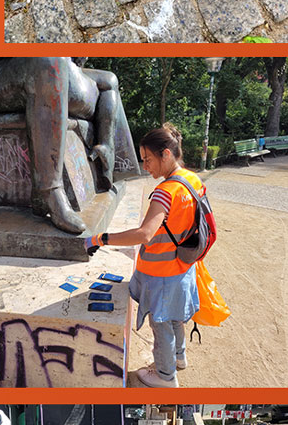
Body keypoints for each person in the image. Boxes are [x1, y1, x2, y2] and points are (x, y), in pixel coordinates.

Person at [85, 125, 208, 388]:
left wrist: (101, 238)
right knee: (175, 317)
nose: (145, 166)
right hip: (183, 265)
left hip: (162, 272)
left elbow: (144, 234)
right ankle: (178, 358)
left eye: (148, 159)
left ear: (165, 154)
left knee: (161, 324)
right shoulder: (192, 180)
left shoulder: (166, 191)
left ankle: (165, 376)